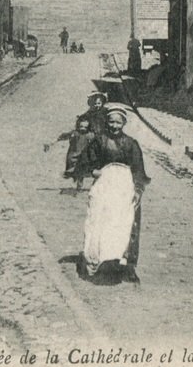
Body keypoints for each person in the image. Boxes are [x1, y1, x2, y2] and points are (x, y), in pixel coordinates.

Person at [80, 106, 151, 283]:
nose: (114, 126)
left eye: (118, 122)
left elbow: (138, 169)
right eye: (111, 121)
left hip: (124, 187)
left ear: (124, 123)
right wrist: (93, 171)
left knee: (127, 223)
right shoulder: (99, 141)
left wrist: (138, 189)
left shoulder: (131, 144)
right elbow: (85, 161)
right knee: (99, 221)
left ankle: (128, 265)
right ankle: (97, 260)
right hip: (105, 186)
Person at [44, 117, 95, 191]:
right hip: (73, 155)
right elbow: (61, 137)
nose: (83, 129)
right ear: (77, 126)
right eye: (81, 126)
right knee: (73, 170)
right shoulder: (74, 133)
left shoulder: (90, 135)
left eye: (85, 127)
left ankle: (79, 185)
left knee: (81, 171)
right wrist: (50, 143)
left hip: (83, 156)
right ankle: (72, 175)